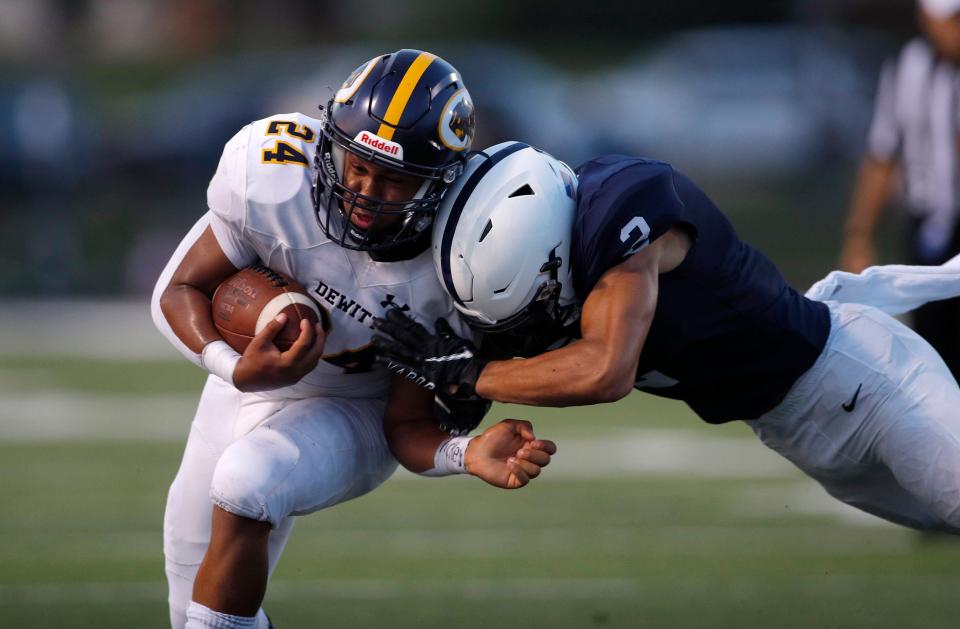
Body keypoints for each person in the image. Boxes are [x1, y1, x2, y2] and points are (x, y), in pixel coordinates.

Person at [151, 53, 555, 629]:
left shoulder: (463, 255)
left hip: (356, 409)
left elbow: (407, 427)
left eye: (395, 179)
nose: (366, 192)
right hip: (246, 386)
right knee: (185, 593)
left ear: (440, 183)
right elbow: (178, 288)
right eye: (357, 164)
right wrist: (234, 368)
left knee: (245, 482)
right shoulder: (273, 177)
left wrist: (464, 453)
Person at [373, 141, 960, 534]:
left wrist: (468, 373)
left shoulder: (624, 210)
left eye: (533, 303)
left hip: (867, 380)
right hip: (798, 434)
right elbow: (418, 425)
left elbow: (607, 370)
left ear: (552, 251)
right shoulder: (522, 274)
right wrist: (463, 437)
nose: (526, 326)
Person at [839, 0, 960, 380]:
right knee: (934, 348)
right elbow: (882, 155)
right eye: (952, 20)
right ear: (926, 17)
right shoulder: (909, 67)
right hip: (927, 221)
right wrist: (859, 235)